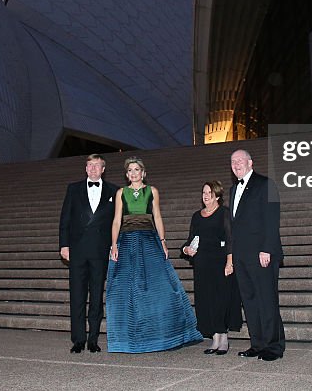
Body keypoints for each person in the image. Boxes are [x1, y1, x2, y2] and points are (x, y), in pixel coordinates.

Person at [106, 156, 201, 353]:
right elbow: (116, 220)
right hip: (126, 242)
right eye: (130, 170)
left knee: (159, 285)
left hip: (149, 241)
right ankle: (128, 338)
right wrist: (113, 245)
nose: (133, 173)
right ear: (126, 174)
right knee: (127, 288)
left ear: (143, 173)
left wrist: (163, 242)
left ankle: (165, 333)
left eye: (137, 170)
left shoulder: (152, 191)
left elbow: (157, 216)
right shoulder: (120, 193)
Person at [228, 149, 285, 361]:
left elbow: (271, 219)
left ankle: (274, 346)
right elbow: (235, 226)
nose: (236, 164)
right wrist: (233, 255)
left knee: (266, 300)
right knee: (250, 301)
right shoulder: (234, 189)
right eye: (233, 162)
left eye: (240, 160)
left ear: (250, 163)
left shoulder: (265, 184)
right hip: (242, 256)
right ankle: (258, 343)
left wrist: (267, 249)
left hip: (262, 254)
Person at [59, 154, 119, 353]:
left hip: (100, 251)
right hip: (77, 250)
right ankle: (78, 339)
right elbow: (65, 219)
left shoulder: (114, 190)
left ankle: (93, 339)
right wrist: (64, 245)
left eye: (97, 166)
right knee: (77, 296)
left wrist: (114, 245)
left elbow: (117, 222)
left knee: (96, 297)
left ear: (103, 169)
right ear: (86, 169)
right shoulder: (73, 189)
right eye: (90, 166)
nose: (93, 169)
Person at [182, 180, 242, 354]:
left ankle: (223, 339)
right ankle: (215, 339)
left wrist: (230, 262)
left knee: (221, 300)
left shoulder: (224, 213)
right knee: (206, 300)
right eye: (203, 193)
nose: (205, 196)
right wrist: (186, 249)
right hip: (202, 264)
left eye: (209, 193)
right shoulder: (196, 216)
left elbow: (231, 240)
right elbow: (191, 239)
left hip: (220, 262)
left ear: (217, 196)